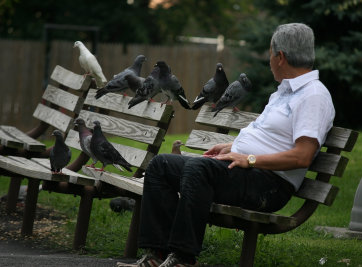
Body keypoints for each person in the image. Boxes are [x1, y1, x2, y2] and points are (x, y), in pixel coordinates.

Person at [119, 22, 335, 267]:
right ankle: (155, 256)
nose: (269, 60)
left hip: (270, 183)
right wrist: (233, 147)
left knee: (198, 169)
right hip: (245, 171)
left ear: (281, 57)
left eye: (270, 54)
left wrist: (249, 159)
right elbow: (270, 137)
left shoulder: (313, 96)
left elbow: (302, 156)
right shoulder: (283, 93)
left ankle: (182, 258)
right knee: (160, 165)